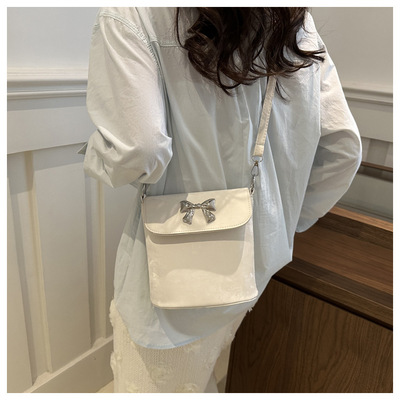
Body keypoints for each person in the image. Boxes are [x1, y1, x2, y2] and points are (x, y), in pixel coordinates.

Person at [81, 7, 361, 393]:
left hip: (167, 292)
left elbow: (138, 152)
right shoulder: (293, 20)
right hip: (251, 265)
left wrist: (94, 156)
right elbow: (343, 150)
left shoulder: (133, 13)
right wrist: (282, 222)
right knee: (199, 377)